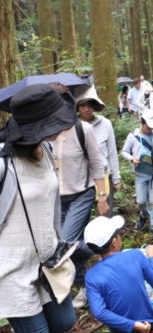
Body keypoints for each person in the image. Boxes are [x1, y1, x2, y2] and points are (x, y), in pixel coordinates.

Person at [0, 84, 77, 333]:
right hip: (12, 272)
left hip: (49, 263)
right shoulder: (4, 164)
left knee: (65, 322)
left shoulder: (46, 147)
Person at [53, 88, 109, 310]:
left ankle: (104, 247)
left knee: (65, 241)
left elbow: (98, 164)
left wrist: (102, 197)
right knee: (71, 244)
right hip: (56, 198)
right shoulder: (44, 133)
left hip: (81, 194)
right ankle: (86, 286)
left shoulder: (81, 129)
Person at [84, 216, 153, 333]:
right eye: (118, 235)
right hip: (146, 322)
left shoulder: (91, 276)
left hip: (121, 328)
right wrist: (152, 257)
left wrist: (132, 324)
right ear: (114, 242)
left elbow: (99, 312)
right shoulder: (135, 255)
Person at [75, 87, 121, 214]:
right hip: (81, 178)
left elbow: (112, 152)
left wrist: (116, 178)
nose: (86, 109)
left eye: (90, 105)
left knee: (106, 213)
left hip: (103, 174)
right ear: (77, 107)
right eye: (83, 105)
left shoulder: (105, 124)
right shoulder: (72, 126)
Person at [121, 110, 153, 238]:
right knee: (141, 201)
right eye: (147, 126)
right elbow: (124, 152)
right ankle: (144, 215)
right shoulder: (133, 136)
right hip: (140, 173)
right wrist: (132, 159)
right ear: (141, 122)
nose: (150, 129)